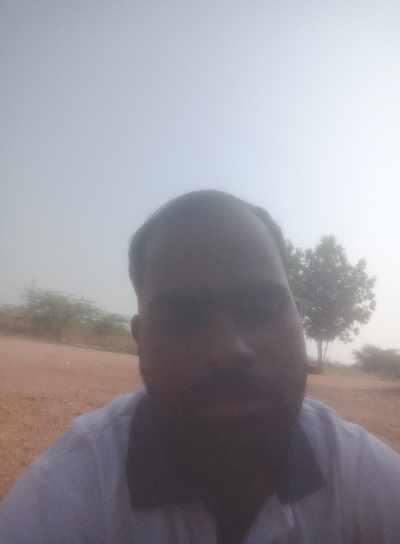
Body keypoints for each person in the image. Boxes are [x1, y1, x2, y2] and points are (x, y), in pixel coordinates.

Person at [1, 190, 400, 544]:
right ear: (141, 341)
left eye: (260, 307)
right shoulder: (69, 493)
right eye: (183, 318)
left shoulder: (360, 475)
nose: (228, 351)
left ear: (299, 321)